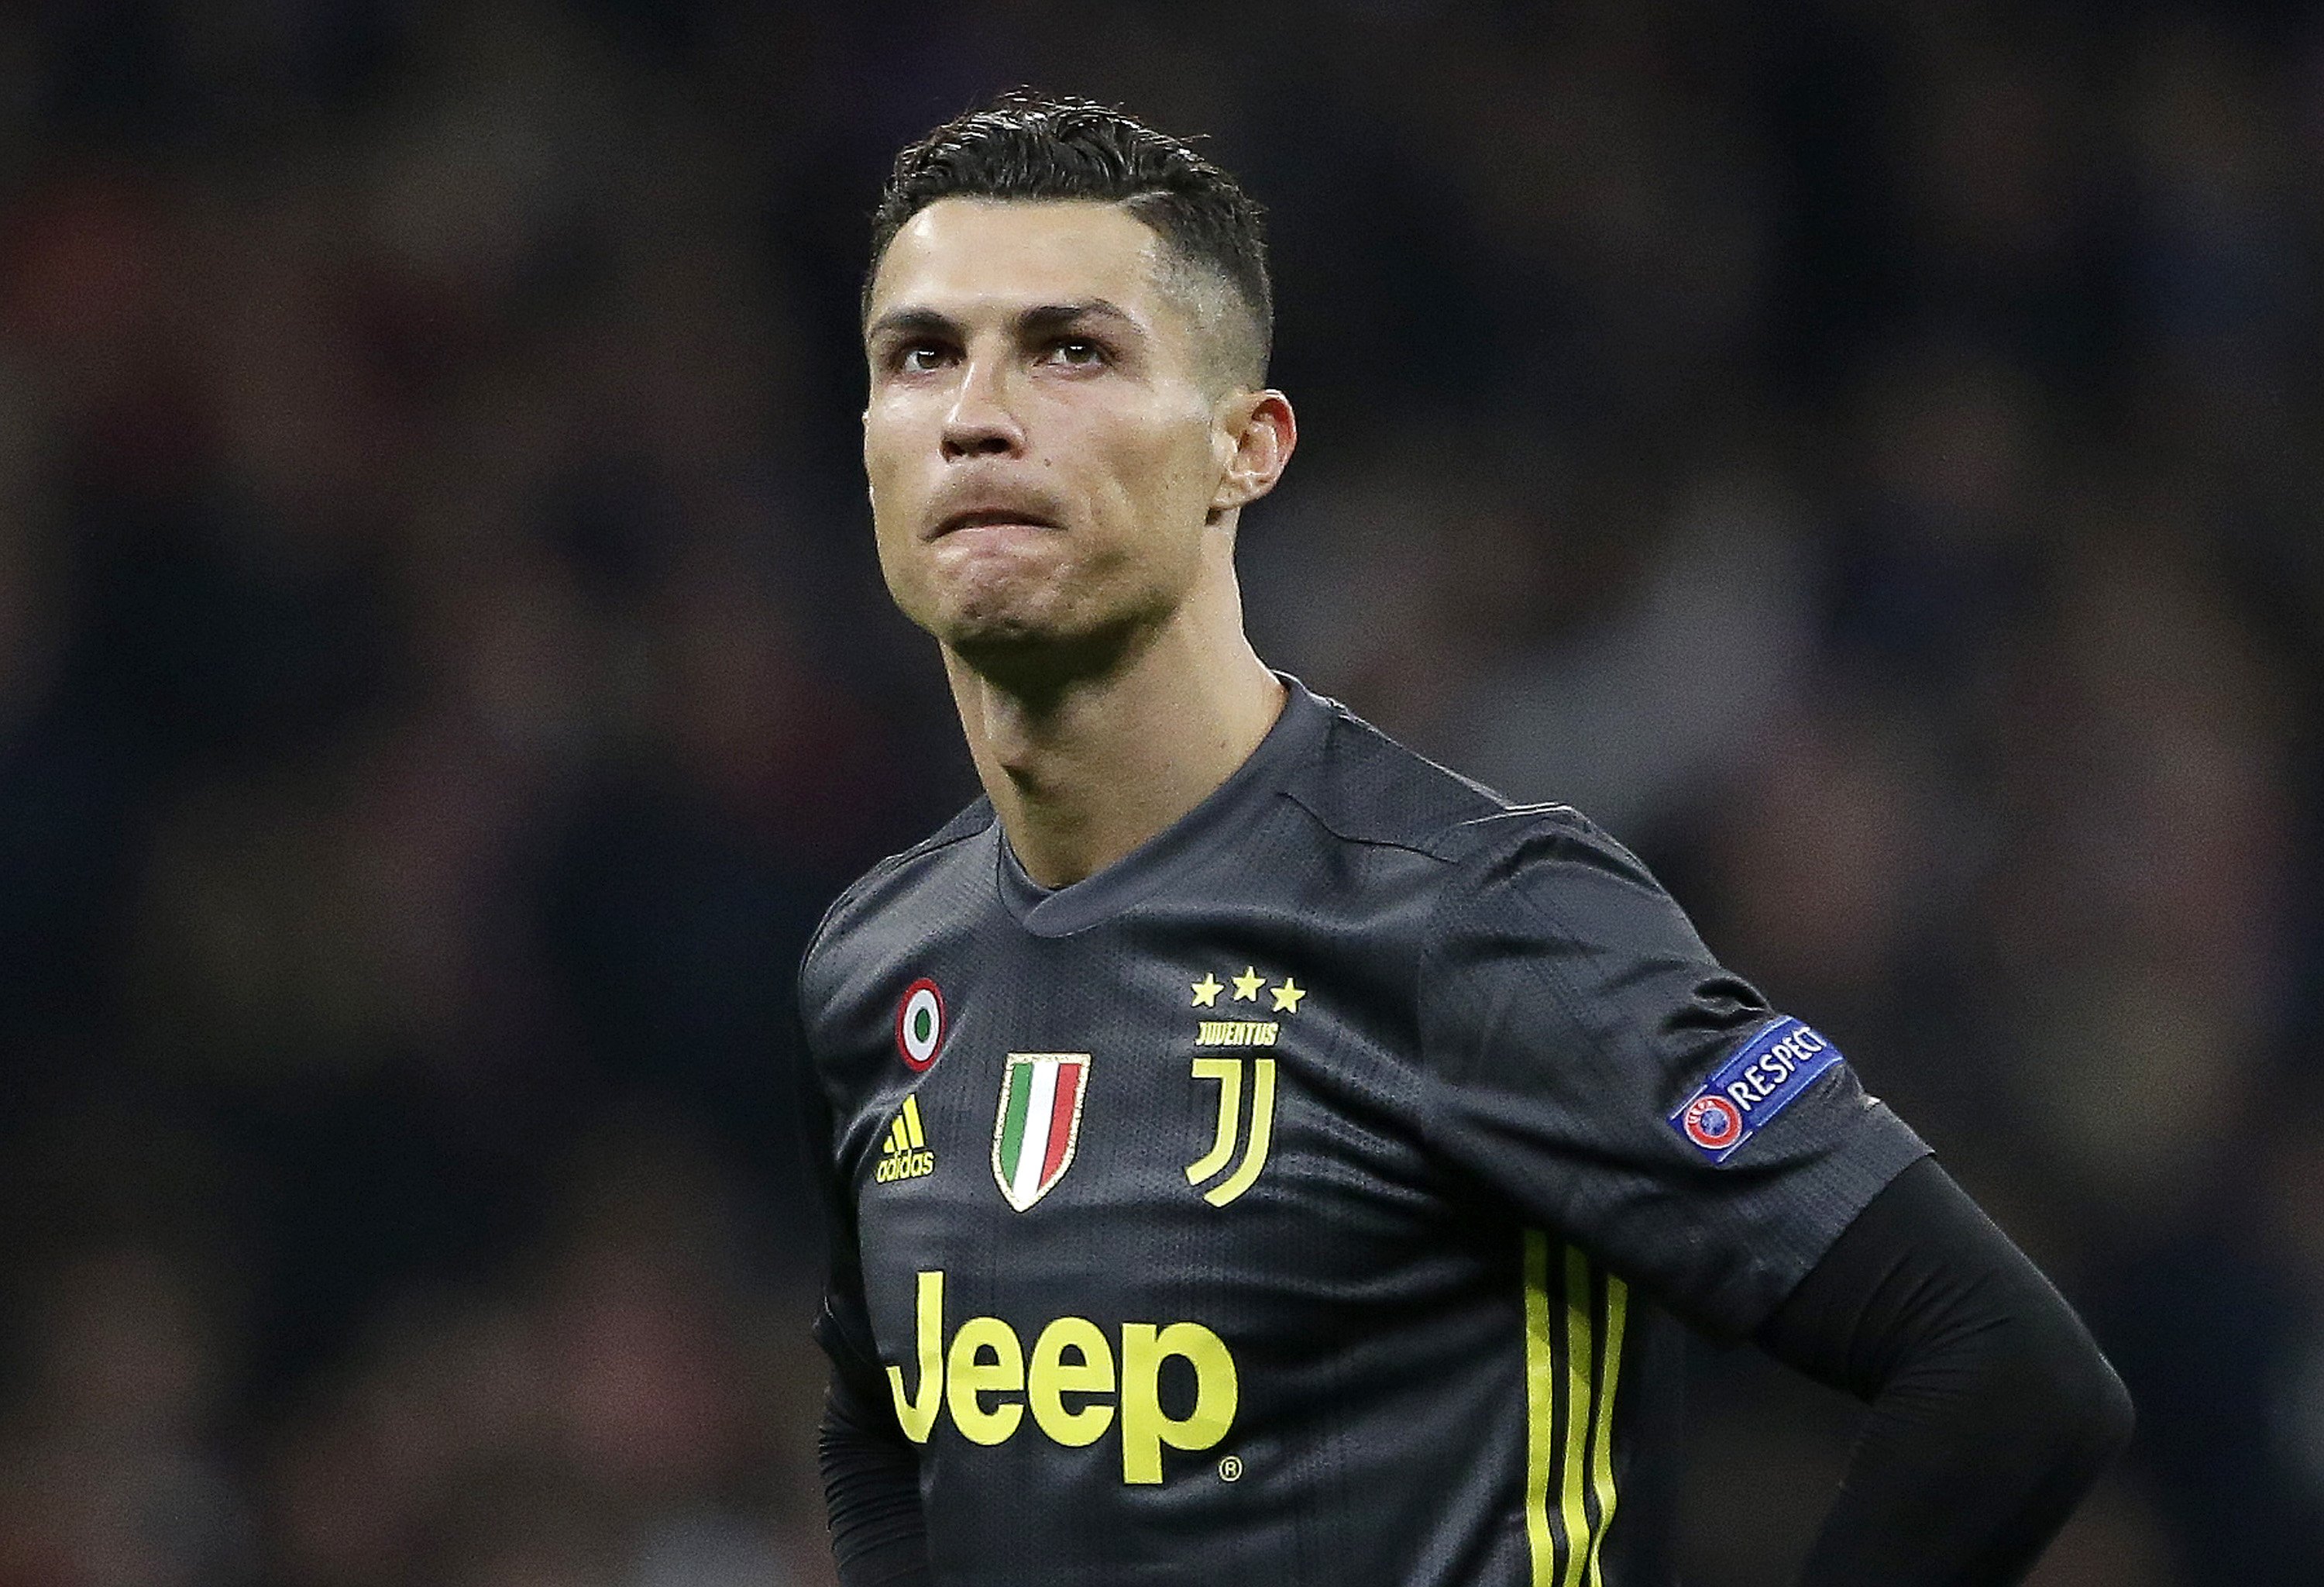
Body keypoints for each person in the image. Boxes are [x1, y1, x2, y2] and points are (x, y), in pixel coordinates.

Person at [799, 91, 2131, 1587]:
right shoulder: (876, 966)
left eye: (1071, 349)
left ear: (1246, 448)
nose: (978, 412)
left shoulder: (1472, 921)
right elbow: (878, 1418)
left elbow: (2003, 1368)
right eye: (921, 355)